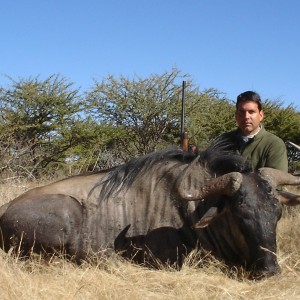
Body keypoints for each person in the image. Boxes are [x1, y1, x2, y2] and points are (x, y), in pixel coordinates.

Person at [215, 90, 288, 172]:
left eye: (251, 112)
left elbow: (277, 180)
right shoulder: (223, 141)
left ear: (261, 115)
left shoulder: (274, 144)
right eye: (241, 112)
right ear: (236, 115)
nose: (246, 117)